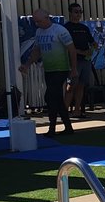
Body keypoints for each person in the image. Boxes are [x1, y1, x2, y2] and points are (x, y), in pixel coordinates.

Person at [20, 8, 77, 136]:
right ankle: (67, 127)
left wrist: (73, 69)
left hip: (61, 69)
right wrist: (27, 65)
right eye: (35, 22)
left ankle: (52, 127)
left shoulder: (60, 30)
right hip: (49, 69)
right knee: (57, 98)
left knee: (50, 96)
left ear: (47, 18)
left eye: (39, 21)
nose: (37, 24)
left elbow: (72, 50)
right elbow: (36, 50)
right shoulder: (39, 32)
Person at [63, 3, 96, 119]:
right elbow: (66, 47)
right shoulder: (66, 28)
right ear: (70, 13)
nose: (78, 14)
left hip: (85, 61)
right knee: (71, 85)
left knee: (81, 85)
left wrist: (93, 48)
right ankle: (64, 111)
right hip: (73, 61)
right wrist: (81, 52)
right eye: (76, 12)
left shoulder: (84, 28)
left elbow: (92, 42)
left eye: (80, 12)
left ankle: (77, 110)